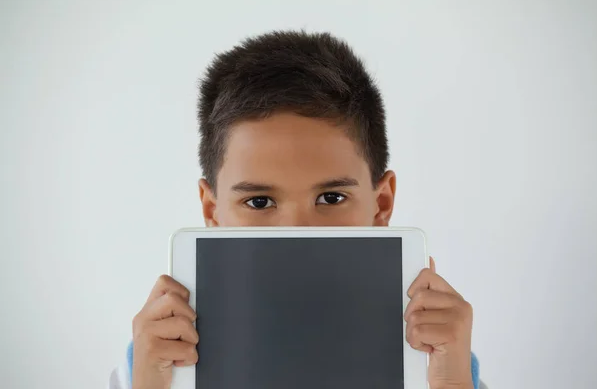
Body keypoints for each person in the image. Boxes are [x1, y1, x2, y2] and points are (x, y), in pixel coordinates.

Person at [109, 30, 486, 389]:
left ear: (381, 203)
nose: (296, 229)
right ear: (213, 211)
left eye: (331, 198)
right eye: (259, 202)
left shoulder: (435, 361)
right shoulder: (157, 365)